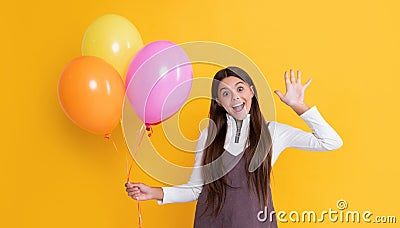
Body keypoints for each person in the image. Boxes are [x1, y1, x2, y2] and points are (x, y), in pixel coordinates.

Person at [125, 67, 343, 227]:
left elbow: (331, 141)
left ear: (251, 91)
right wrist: (154, 193)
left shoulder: (273, 132)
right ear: (219, 102)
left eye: (240, 89)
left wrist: (298, 106)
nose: (235, 97)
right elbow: (196, 188)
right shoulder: (208, 136)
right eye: (226, 93)